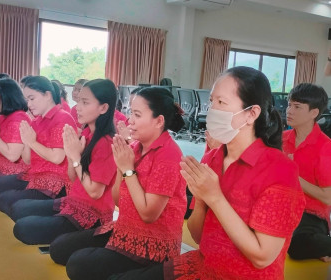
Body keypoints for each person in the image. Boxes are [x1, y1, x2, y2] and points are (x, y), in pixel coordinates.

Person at [120, 66, 305, 280]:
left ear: (251, 113)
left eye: (221, 103)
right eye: (211, 102)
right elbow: (198, 237)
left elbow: (262, 257)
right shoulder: (212, 158)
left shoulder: (279, 170)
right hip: (204, 265)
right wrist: (200, 199)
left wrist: (214, 197)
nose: (212, 110)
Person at [51, 87, 187, 280]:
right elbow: (118, 201)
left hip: (153, 242)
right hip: (124, 227)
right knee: (60, 248)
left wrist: (128, 170)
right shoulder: (134, 147)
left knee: (78, 265)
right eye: (131, 112)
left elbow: (148, 215)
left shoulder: (169, 154)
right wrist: (120, 167)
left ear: (159, 121)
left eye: (137, 114)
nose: (129, 120)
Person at [11, 79, 118, 245]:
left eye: (85, 102)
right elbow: (73, 177)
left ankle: (87, 237)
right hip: (73, 201)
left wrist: (75, 157)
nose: (78, 107)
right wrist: (70, 153)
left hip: (91, 213)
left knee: (24, 228)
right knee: (19, 209)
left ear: (103, 108)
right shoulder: (87, 134)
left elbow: (95, 192)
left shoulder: (106, 143)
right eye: (79, 100)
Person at [0, 76, 76, 213]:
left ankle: (50, 208)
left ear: (48, 95)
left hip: (56, 180)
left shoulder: (62, 117)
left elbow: (57, 158)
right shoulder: (36, 121)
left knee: (8, 202)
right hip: (34, 174)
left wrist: (32, 141)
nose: (29, 104)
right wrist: (26, 142)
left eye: (32, 99)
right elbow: (27, 159)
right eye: (27, 100)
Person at [283, 83, 331, 262]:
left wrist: (293, 176)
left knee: (296, 246)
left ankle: (320, 244)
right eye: (289, 105)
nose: (289, 110)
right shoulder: (281, 139)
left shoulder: (325, 147)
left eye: (297, 107)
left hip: (309, 214)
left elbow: (327, 197)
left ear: (314, 113)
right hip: (280, 205)